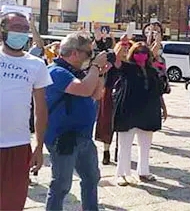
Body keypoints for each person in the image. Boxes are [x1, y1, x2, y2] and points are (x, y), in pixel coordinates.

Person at [44, 32, 107, 211]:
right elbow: (85, 89)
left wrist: (100, 74)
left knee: (91, 178)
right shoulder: (56, 71)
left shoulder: (78, 72)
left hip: (84, 137)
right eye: (89, 53)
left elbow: (95, 94)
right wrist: (95, 67)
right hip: (63, 139)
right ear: (74, 53)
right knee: (61, 185)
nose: (91, 57)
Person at [0, 12, 52, 211]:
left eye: (24, 29)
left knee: (12, 205)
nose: (21, 32)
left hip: (18, 146)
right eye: (16, 28)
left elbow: (40, 108)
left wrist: (38, 146)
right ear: (3, 31)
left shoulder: (36, 64)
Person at [111, 42, 168, 186]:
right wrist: (122, 44)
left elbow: (158, 91)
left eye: (143, 52)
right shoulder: (127, 67)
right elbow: (116, 61)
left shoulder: (152, 70)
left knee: (145, 144)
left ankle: (143, 171)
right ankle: (121, 174)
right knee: (125, 145)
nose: (140, 55)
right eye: (137, 52)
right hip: (128, 110)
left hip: (148, 110)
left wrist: (164, 107)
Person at [95, 41, 131, 165]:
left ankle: (119, 151)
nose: (125, 51)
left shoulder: (129, 64)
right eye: (123, 48)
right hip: (109, 93)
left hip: (124, 94)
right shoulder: (110, 61)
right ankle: (106, 151)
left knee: (123, 124)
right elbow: (100, 72)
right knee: (107, 123)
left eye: (127, 49)